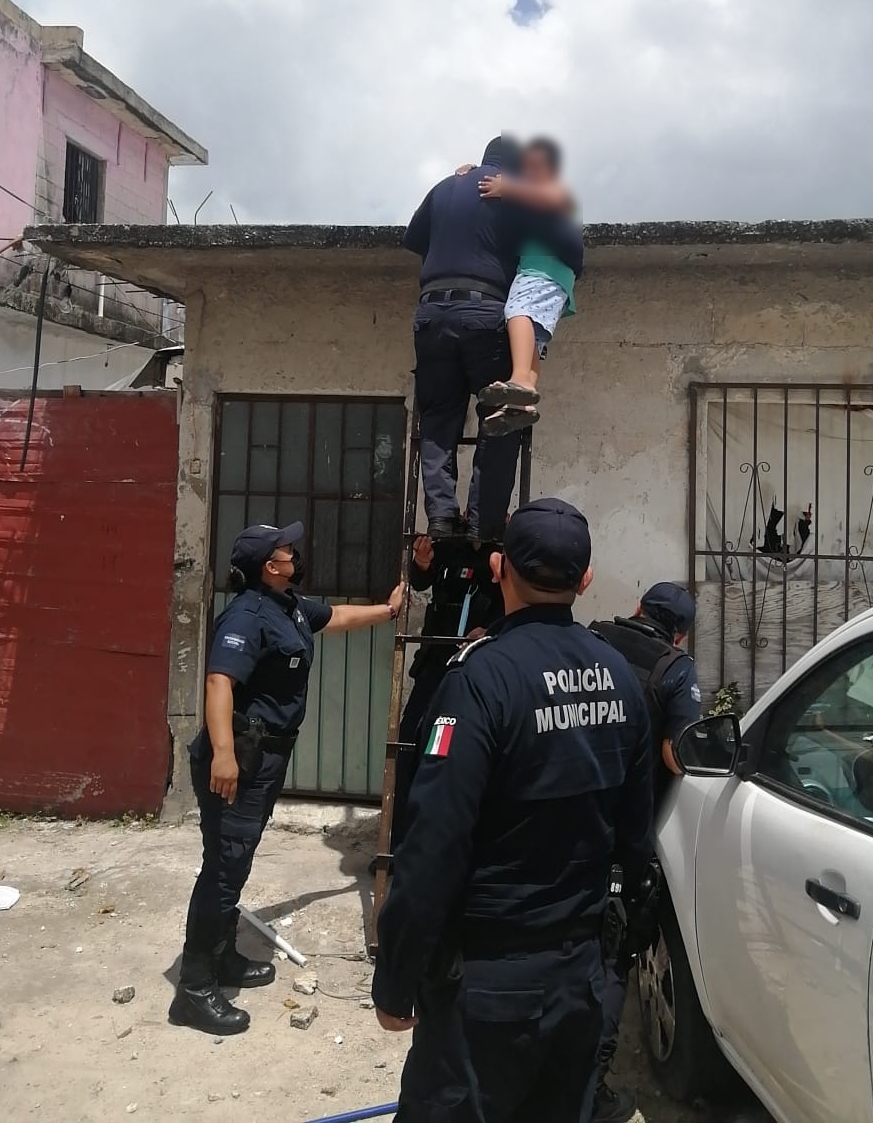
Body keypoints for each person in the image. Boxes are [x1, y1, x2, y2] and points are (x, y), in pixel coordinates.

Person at [372, 498, 654, 1123]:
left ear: (499, 568)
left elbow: (432, 846)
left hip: (487, 988)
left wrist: (396, 977)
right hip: (581, 981)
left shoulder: (479, 679)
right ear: (585, 580)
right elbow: (637, 840)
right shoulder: (622, 677)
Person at [169, 522, 404, 1035]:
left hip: (267, 758)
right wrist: (224, 756)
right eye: (286, 552)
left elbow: (335, 615)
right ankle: (193, 988)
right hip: (240, 759)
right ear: (267, 567)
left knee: (234, 860)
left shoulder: (289, 605)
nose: (295, 556)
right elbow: (218, 682)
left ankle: (223, 954)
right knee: (224, 868)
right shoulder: (248, 614)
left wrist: (387, 611)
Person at [404, 135, 584, 544]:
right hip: (486, 313)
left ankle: (442, 520)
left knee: (437, 422)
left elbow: (414, 238)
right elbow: (568, 240)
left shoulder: (446, 186)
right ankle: (485, 527)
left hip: (432, 314)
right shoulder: (513, 193)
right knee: (502, 418)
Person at [587, 581, 700, 1123]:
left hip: (558, 822)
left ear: (636, 609)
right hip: (621, 837)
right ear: (680, 632)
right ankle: (590, 1089)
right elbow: (677, 757)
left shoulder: (591, 639)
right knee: (612, 957)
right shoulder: (675, 669)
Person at [381, 530, 505, 868]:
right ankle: (399, 846)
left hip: (478, 667)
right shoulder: (448, 547)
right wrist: (422, 563)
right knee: (409, 746)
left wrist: (490, 632)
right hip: (436, 664)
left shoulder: (506, 552)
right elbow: (421, 581)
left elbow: (517, 607)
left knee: (467, 755)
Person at [470, 137, 576, 437]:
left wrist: (508, 188)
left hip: (542, 268)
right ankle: (523, 400)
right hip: (549, 274)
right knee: (532, 339)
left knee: (517, 311)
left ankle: (519, 382)